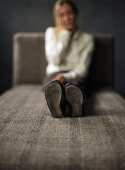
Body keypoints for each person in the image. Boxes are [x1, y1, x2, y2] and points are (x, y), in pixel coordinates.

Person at [42, 0, 95, 118]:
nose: (67, 18)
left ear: (76, 13)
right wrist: (64, 36)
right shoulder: (51, 32)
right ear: (57, 17)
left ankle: (70, 104)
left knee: (76, 84)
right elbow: (55, 61)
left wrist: (66, 77)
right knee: (55, 83)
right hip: (55, 73)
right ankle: (66, 106)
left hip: (76, 74)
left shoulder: (87, 39)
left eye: (69, 13)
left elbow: (83, 69)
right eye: (62, 15)